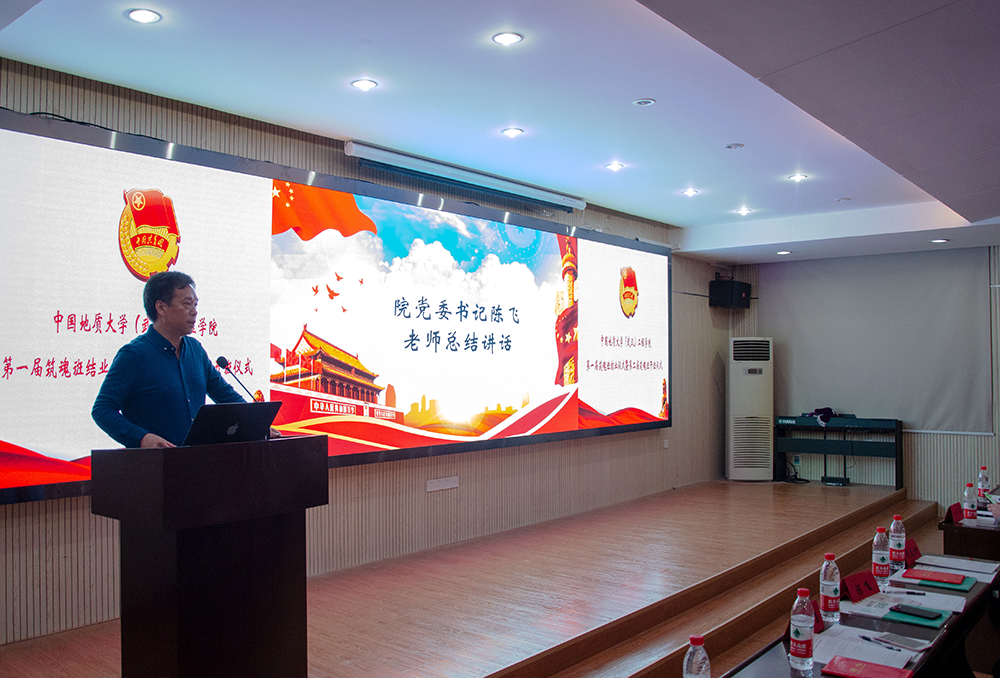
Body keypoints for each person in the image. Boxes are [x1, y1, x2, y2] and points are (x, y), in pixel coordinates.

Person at [92, 271, 244, 448]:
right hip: (154, 462)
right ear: (161, 307)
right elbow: (102, 409)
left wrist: (255, 422)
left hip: (196, 459)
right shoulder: (134, 355)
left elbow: (225, 396)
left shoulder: (195, 350)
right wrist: (141, 438)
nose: (194, 312)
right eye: (187, 304)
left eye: (195, 304)